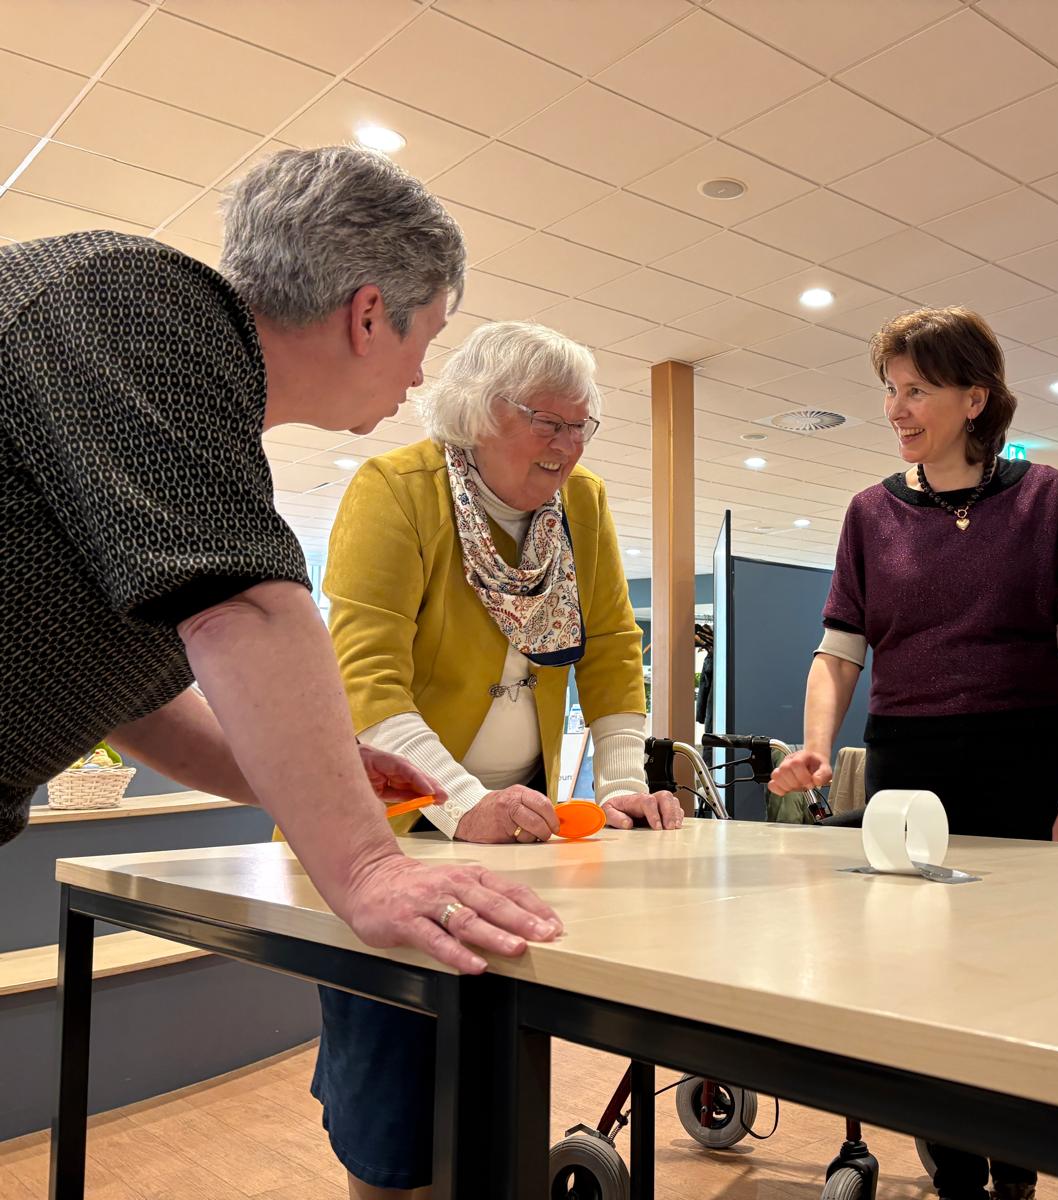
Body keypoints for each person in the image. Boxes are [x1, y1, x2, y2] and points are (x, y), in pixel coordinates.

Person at [0, 146, 559, 972]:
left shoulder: (178, 435)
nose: (419, 375)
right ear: (369, 314)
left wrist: (323, 774)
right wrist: (368, 866)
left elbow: (129, 704)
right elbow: (246, 610)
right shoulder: (133, 298)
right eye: (428, 335)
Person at [311, 319, 681, 1197]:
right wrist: (460, 799)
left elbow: (612, 650)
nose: (568, 445)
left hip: (516, 832)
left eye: (582, 424)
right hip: (397, 826)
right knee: (394, 1111)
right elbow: (364, 679)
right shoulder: (394, 490)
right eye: (547, 421)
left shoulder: (580, 504)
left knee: (491, 1080)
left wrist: (624, 783)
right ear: (476, 413)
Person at [770, 305, 1058, 1200]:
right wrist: (815, 747)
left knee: (1023, 980)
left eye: (916, 389)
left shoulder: (1045, 501)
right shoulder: (869, 514)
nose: (897, 408)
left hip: (1024, 762)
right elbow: (838, 651)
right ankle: (958, 1175)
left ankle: (1018, 1176)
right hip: (909, 769)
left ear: (975, 397)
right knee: (925, 988)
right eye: (890, 390)